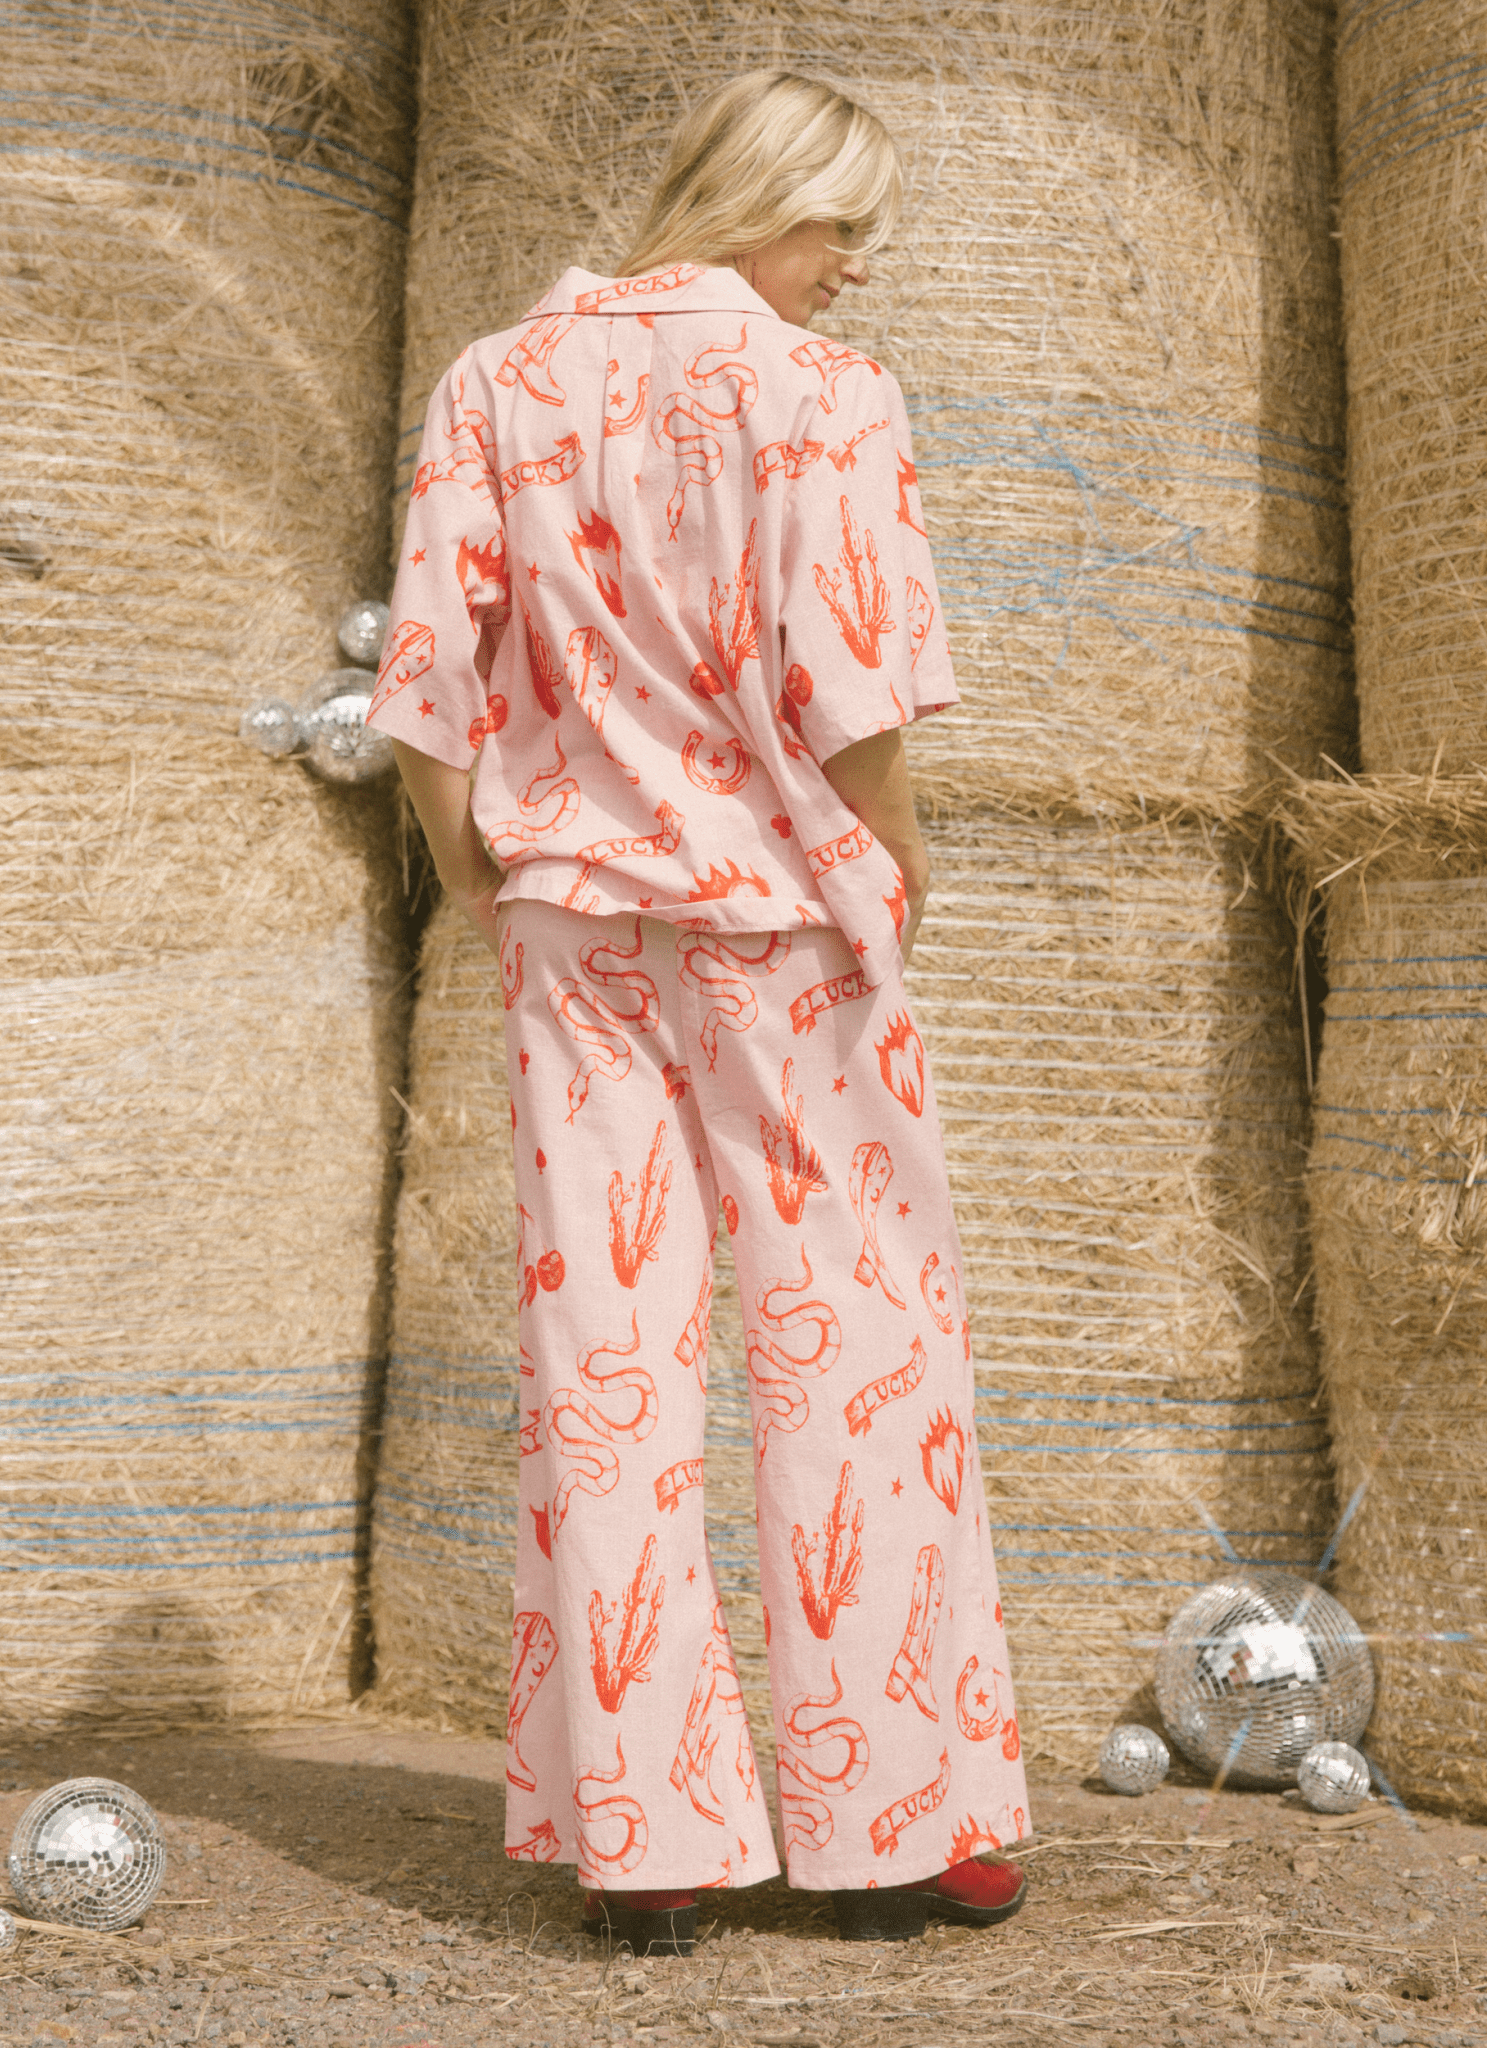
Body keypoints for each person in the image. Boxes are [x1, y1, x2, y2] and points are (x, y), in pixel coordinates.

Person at [367, 68, 1030, 1952]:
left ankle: (644, 1840)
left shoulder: (495, 379)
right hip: (782, 922)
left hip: (571, 926)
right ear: (760, 202)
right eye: (839, 227)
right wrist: (899, 861)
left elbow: (425, 684)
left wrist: (483, 872)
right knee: (859, 1347)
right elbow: (850, 688)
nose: (850, 268)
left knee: (606, 1364)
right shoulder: (826, 395)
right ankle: (894, 1830)